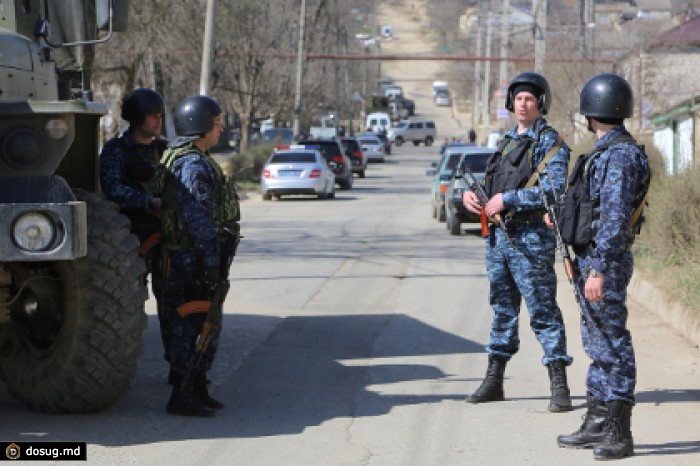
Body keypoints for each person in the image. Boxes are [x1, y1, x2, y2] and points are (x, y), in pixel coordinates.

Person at [462, 71, 573, 412]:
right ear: (510, 103)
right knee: (502, 311)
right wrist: (473, 197)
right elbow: (491, 183)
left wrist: (508, 200)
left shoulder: (550, 143)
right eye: (518, 98)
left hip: (531, 241)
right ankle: (494, 380)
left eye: (529, 99)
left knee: (543, 312)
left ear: (540, 103)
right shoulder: (506, 142)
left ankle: (559, 385)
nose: (522, 105)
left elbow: (551, 191)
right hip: (498, 239)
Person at [555, 73, 650, 460]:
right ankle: (596, 420)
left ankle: (619, 430)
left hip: (602, 261)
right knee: (596, 342)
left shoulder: (620, 156)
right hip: (590, 256)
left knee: (613, 343)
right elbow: (592, 209)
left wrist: (599, 269)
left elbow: (613, 218)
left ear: (591, 112)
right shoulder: (605, 152)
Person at [154, 95, 241, 417]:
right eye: (216, 123)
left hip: (194, 254)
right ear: (201, 127)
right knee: (194, 325)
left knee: (207, 321)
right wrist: (211, 262)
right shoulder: (191, 163)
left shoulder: (194, 157)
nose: (221, 129)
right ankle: (182, 393)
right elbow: (198, 218)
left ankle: (198, 385)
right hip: (192, 256)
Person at [99, 88, 169, 368]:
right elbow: (111, 187)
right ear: (137, 118)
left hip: (165, 236)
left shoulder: (164, 149)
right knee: (127, 306)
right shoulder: (116, 150)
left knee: (173, 303)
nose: (157, 121)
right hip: (129, 238)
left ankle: (178, 367)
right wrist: (147, 201)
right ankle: (121, 365)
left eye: (160, 116)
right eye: (152, 116)